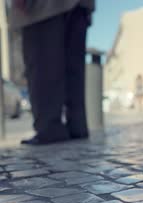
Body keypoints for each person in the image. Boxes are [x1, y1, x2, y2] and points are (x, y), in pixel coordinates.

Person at [8, 0, 95, 145]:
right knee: (73, 67)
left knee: (42, 62)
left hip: (44, 6)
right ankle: (77, 126)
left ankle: (50, 129)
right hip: (80, 5)